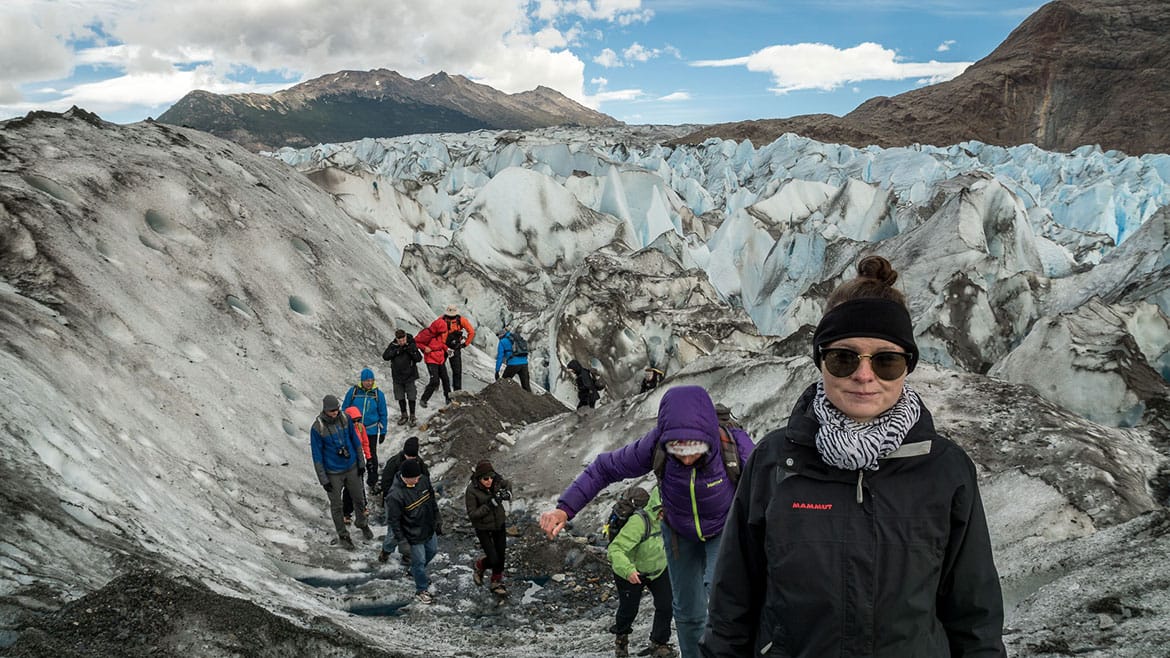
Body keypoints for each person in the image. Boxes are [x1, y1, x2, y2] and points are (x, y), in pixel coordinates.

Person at [700, 255, 1007, 657]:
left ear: (907, 366)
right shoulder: (775, 461)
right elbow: (732, 603)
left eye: (886, 361)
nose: (864, 376)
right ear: (821, 361)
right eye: (844, 358)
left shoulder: (945, 468)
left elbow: (974, 614)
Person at [539, 386, 754, 658]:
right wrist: (564, 509)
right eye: (677, 448)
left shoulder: (732, 445)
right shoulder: (656, 446)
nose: (686, 457)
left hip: (724, 529)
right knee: (688, 612)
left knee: (725, 600)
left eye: (695, 448)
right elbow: (605, 468)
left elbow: (769, 484)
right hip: (678, 533)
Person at [608, 486, 675, 658]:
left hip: (658, 569)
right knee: (629, 609)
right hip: (630, 571)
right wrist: (628, 570)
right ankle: (621, 640)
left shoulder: (675, 518)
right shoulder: (639, 522)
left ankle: (659, 644)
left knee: (666, 605)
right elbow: (615, 549)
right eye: (663, 511)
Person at [310, 395, 372, 549]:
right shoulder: (318, 428)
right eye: (332, 411)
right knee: (337, 506)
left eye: (337, 409)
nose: (335, 413)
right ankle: (343, 534)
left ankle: (362, 523)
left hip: (351, 467)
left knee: (359, 499)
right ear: (325, 410)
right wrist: (324, 480)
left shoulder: (345, 418)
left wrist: (361, 462)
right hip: (333, 473)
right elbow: (317, 455)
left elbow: (355, 441)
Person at [381, 458, 442, 604]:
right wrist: (402, 541)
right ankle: (421, 589)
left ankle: (414, 571)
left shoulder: (423, 481)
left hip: (428, 527)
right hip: (412, 534)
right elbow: (394, 521)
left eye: (418, 477)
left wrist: (437, 518)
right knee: (419, 561)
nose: (416, 480)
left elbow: (432, 501)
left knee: (432, 551)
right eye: (413, 478)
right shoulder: (395, 495)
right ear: (404, 476)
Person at [464, 459, 512, 596]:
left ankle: (496, 581)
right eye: (486, 479)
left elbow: (507, 483)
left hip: (499, 523)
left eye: (491, 477)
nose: (489, 481)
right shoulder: (471, 491)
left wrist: (507, 493)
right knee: (493, 559)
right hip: (483, 527)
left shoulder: (496, 481)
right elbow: (473, 515)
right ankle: (480, 565)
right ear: (479, 478)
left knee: (501, 555)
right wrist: (490, 505)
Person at [380, 436, 430, 559]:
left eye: (413, 457)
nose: (411, 459)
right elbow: (386, 483)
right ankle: (386, 550)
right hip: (395, 502)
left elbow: (425, 480)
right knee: (394, 532)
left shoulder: (420, 464)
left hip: (413, 502)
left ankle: (407, 554)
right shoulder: (394, 463)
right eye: (409, 456)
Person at [342, 368, 387, 494]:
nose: (370, 383)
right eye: (367, 380)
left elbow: (383, 413)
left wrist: (383, 431)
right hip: (355, 428)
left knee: (371, 454)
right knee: (354, 453)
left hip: (371, 429)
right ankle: (354, 479)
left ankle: (372, 481)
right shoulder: (354, 391)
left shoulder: (378, 394)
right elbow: (345, 408)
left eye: (372, 380)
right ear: (362, 381)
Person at [382, 328, 423, 426]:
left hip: (410, 376)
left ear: (405, 337)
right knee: (400, 397)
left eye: (403, 340)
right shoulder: (393, 345)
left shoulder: (411, 344)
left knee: (411, 396)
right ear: (396, 339)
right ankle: (404, 415)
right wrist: (397, 351)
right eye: (400, 340)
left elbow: (419, 358)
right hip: (397, 377)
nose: (402, 342)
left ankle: (412, 416)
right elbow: (385, 356)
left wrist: (411, 351)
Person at [341, 406, 373, 525]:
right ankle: (346, 512)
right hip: (347, 463)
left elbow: (365, 443)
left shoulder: (360, 428)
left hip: (359, 461)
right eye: (353, 420)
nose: (356, 423)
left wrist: (368, 458)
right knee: (348, 488)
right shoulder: (343, 430)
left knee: (360, 484)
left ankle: (362, 507)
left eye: (357, 420)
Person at [415, 318, 452, 408]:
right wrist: (424, 348)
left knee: (445, 379)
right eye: (442, 331)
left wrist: (447, 349)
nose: (443, 333)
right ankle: (424, 399)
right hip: (431, 360)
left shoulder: (439, 334)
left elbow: (441, 344)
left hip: (440, 358)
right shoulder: (426, 333)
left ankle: (448, 398)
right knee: (435, 380)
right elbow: (415, 342)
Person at [438, 304, 476, 391]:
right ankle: (456, 391)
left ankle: (448, 389)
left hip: (444, 347)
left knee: (441, 367)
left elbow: (471, 332)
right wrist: (465, 344)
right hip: (453, 348)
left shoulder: (442, 319)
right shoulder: (460, 320)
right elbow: (471, 332)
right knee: (456, 371)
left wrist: (465, 344)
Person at [494, 328, 531, 392]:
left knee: (504, 383)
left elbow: (500, 357)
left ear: (500, 336)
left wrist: (497, 371)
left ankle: (503, 400)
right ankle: (531, 400)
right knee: (526, 387)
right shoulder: (516, 338)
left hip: (513, 364)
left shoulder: (502, 342)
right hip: (524, 364)